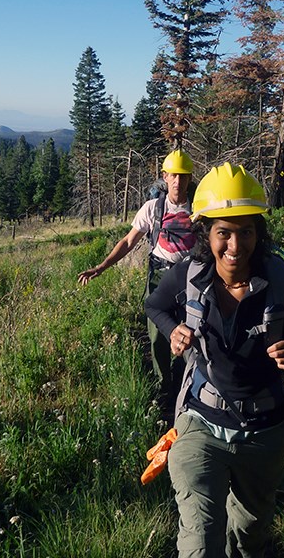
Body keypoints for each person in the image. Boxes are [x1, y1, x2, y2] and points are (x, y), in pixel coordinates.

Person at [145, 162, 284, 558]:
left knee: (249, 538)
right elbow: (155, 305)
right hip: (201, 422)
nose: (235, 246)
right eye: (224, 233)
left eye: (246, 231)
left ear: (258, 232)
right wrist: (172, 330)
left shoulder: (280, 277)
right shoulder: (187, 275)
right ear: (206, 234)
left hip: (264, 432)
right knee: (200, 541)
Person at [78, 149, 195, 419]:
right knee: (157, 336)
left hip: (190, 280)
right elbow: (129, 241)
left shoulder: (199, 207)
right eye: (173, 175)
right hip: (159, 278)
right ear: (165, 177)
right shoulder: (153, 208)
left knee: (189, 335)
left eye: (183, 175)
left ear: (190, 178)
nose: (178, 181)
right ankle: (164, 391)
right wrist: (102, 266)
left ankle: (185, 390)